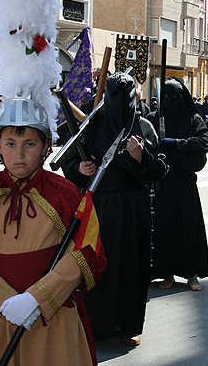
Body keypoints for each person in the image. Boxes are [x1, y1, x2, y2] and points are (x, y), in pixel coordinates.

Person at [0, 97, 107, 365]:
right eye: (10, 144)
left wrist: (37, 299)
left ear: (46, 146)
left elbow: (84, 252)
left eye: (30, 144)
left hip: (52, 316)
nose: (19, 155)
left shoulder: (65, 194)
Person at [64, 72, 168, 346]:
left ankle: (128, 325)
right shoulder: (92, 127)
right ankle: (92, 325)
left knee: (131, 267)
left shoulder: (144, 127)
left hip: (134, 208)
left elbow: (159, 170)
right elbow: (69, 163)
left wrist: (140, 157)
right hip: (100, 207)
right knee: (96, 266)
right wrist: (80, 168)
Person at [148, 79, 208, 291]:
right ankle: (167, 273)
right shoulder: (153, 119)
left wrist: (177, 144)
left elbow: (203, 143)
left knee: (188, 229)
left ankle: (192, 275)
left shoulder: (193, 119)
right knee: (164, 230)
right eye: (166, 98)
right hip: (162, 185)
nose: (170, 102)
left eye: (174, 98)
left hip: (185, 185)